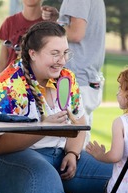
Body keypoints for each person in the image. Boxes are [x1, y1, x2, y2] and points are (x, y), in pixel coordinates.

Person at [0, 21, 112, 193]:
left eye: (65, 53)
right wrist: (42, 129)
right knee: (43, 177)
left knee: (117, 176)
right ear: (33, 53)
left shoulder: (66, 78)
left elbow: (79, 122)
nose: (62, 61)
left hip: (59, 155)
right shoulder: (5, 86)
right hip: (2, 159)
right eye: (55, 54)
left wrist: (72, 153)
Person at [42, 0, 107, 146]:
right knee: (78, 143)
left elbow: (76, 33)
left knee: (71, 146)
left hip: (76, 77)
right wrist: (58, 19)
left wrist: (54, 26)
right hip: (87, 78)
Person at [0, 0, 48, 79]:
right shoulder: (9, 23)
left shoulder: (49, 25)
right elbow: (2, 61)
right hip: (10, 83)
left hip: (37, 83)